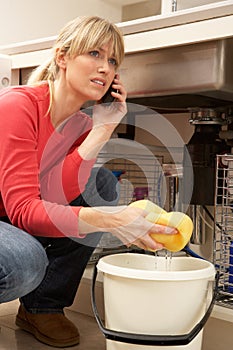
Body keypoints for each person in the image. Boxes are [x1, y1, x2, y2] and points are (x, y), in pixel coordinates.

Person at [0, 16, 176, 347]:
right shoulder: (18, 105)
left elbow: (57, 194)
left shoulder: (81, 124)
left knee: (103, 185)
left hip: (12, 214)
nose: (105, 68)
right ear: (62, 57)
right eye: (94, 54)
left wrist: (102, 129)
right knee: (25, 263)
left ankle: (42, 308)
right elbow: (25, 210)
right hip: (9, 213)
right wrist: (108, 220)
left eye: (112, 61)